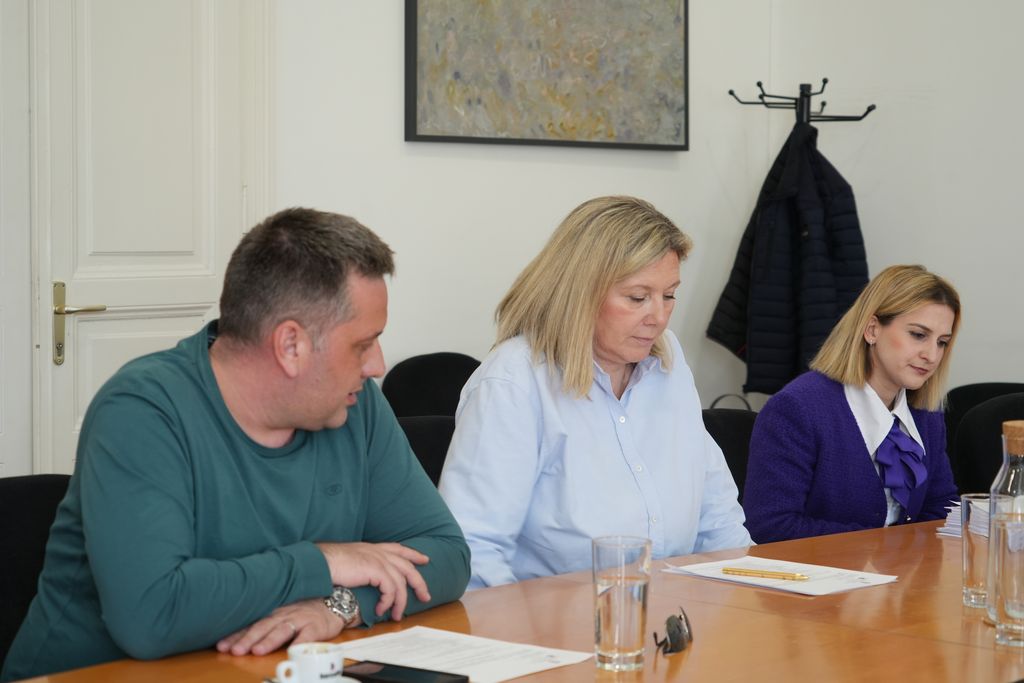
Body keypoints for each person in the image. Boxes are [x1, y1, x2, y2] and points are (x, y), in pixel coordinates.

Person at [2, 208, 470, 681]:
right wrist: (325, 560)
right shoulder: (142, 410)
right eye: (362, 344)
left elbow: (447, 555)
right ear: (291, 346)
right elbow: (151, 615)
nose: (377, 366)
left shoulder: (354, 402)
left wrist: (339, 604)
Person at [437, 196, 752, 589]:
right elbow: (476, 550)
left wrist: (754, 592)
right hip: (550, 619)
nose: (658, 317)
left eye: (669, 295)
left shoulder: (668, 360)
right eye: (637, 298)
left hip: (673, 610)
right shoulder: (514, 381)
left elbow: (717, 518)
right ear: (580, 293)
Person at [742, 264, 961, 543]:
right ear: (872, 330)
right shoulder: (797, 409)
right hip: (818, 570)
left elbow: (942, 507)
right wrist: (881, 549)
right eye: (918, 335)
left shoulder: (926, 414)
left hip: (902, 571)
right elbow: (771, 526)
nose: (931, 355)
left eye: (942, 342)